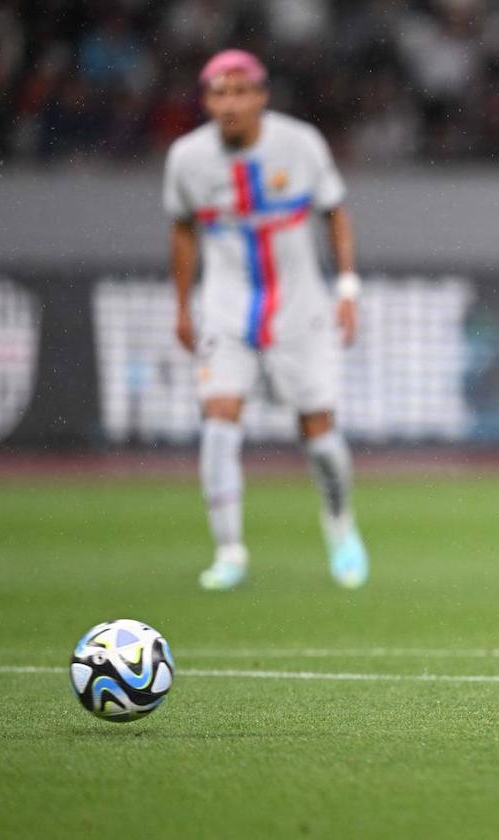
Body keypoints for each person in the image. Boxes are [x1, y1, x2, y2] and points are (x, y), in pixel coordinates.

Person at [164, 49, 368, 590]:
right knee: (218, 422)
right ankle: (229, 550)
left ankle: (339, 521)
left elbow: (335, 213)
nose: (228, 104)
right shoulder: (187, 158)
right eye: (217, 93)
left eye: (238, 92)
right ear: (206, 101)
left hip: (300, 311)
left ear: (261, 95)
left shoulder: (300, 145)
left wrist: (346, 288)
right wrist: (183, 304)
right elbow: (182, 230)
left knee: (318, 434)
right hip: (227, 310)